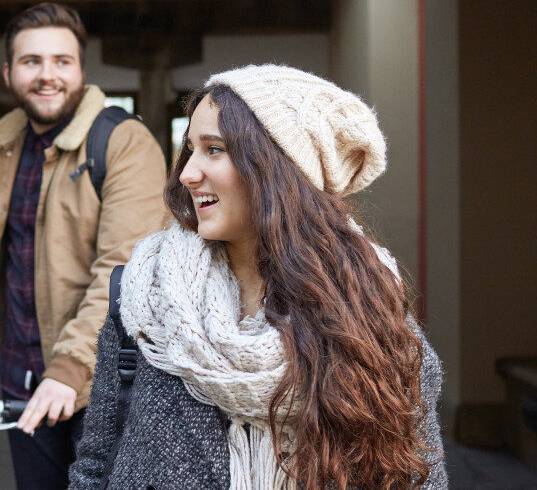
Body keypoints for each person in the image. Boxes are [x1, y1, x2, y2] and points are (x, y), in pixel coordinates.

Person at [69, 64, 448, 489]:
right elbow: (95, 465)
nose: (187, 174)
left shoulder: (371, 317)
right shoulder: (147, 295)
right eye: (190, 149)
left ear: (279, 168)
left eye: (214, 149)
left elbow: (416, 476)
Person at [0, 2, 167, 490]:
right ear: (8, 73)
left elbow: (124, 272)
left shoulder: (123, 142)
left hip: (102, 383)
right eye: (31, 61)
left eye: (62, 61)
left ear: (81, 69)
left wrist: (70, 367)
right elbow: (9, 246)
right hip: (24, 381)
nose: (47, 75)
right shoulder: (9, 145)